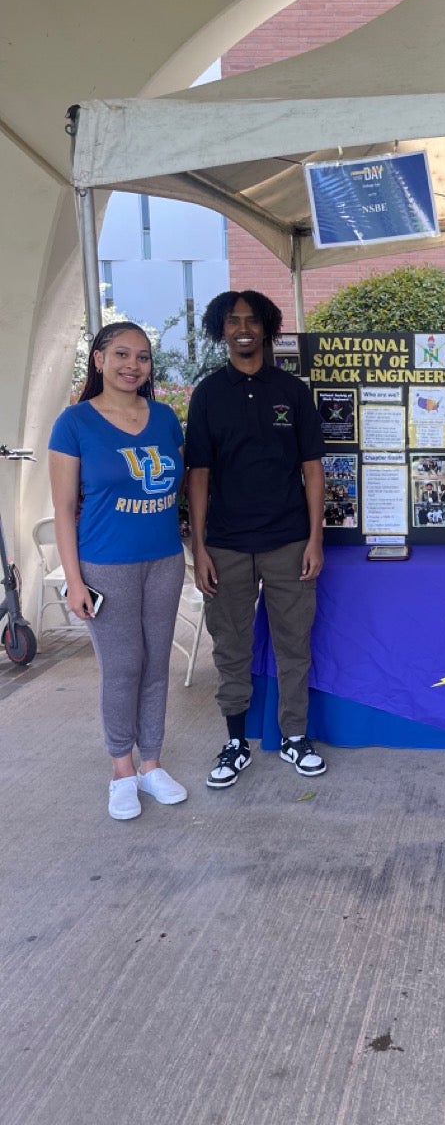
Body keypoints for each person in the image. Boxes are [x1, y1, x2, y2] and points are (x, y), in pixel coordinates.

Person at [185, 290, 327, 789]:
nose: (242, 328)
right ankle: (235, 742)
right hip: (225, 544)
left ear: (266, 328)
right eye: (232, 321)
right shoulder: (207, 394)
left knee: (294, 644)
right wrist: (199, 547)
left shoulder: (292, 389)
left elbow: (313, 468)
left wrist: (315, 539)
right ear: (220, 330)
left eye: (251, 320)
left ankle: (294, 736)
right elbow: (197, 474)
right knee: (231, 646)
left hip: (288, 540)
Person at [48, 322, 187, 821]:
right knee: (123, 665)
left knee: (155, 664)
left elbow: (181, 488)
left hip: (165, 560)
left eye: (144, 357)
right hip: (105, 565)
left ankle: (151, 764)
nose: (134, 365)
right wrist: (75, 579)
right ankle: (121, 769)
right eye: (122, 354)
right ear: (99, 360)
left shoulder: (167, 418)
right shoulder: (75, 422)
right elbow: (64, 508)